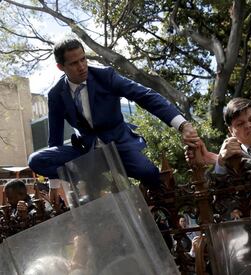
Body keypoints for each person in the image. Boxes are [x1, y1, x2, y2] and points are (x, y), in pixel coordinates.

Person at [27, 38, 199, 206]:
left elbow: (146, 96)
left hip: (119, 145)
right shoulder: (56, 95)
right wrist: (54, 186)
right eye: (73, 63)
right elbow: (55, 139)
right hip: (88, 153)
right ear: (61, 67)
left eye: (83, 59)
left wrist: (182, 125)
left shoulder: (105, 76)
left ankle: (159, 207)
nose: (81, 67)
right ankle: (89, 175)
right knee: (36, 160)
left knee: (149, 172)